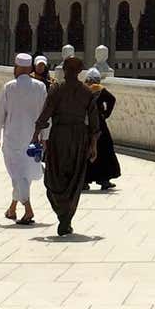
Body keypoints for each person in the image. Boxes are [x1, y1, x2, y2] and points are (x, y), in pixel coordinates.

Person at [32, 56, 100, 236]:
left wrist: (34, 137)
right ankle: (66, 218)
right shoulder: (86, 92)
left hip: (60, 137)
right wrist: (93, 145)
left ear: (65, 70)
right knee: (74, 178)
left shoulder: (57, 90)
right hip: (78, 138)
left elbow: (44, 115)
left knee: (55, 177)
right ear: (79, 72)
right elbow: (94, 124)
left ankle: (63, 217)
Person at [0, 54, 47, 225]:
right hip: (34, 138)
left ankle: (28, 210)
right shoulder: (40, 87)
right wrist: (45, 137)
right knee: (25, 175)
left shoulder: (9, 87)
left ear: (16, 68)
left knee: (18, 175)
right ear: (30, 69)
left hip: (13, 138)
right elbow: (46, 115)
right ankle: (12, 208)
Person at [83, 68, 120, 190]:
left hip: (85, 124)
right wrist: (105, 113)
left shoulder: (83, 89)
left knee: (85, 151)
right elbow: (112, 99)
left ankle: (84, 181)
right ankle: (103, 179)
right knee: (104, 150)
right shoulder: (101, 90)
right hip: (99, 123)